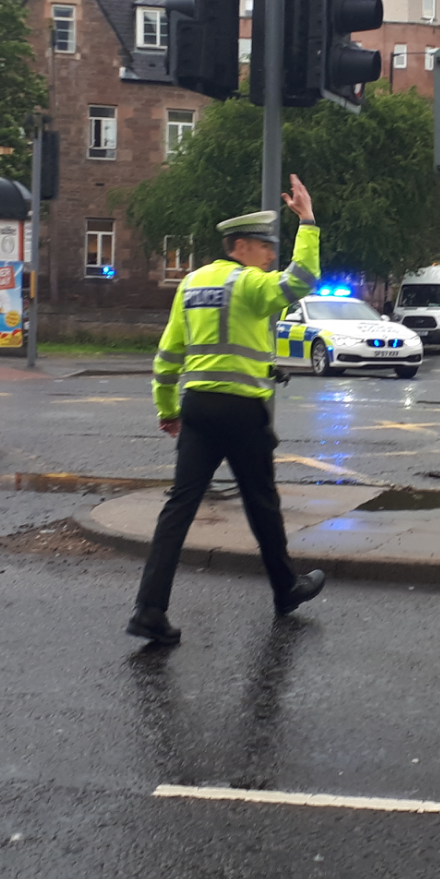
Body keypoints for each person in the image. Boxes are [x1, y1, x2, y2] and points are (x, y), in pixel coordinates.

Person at [128, 175, 326, 645]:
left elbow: (167, 355)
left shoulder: (192, 283)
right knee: (261, 502)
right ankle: (286, 590)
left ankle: (149, 609)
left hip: (196, 408)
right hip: (242, 411)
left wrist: (167, 409)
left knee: (179, 507)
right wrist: (308, 221)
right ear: (240, 246)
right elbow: (302, 280)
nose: (269, 255)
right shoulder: (250, 283)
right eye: (263, 247)